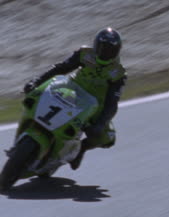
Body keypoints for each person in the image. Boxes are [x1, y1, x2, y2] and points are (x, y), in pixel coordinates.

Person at [23, 27, 127, 170]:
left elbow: (112, 103)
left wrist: (100, 124)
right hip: (71, 88)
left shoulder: (118, 73)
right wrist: (36, 81)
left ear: (117, 51)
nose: (105, 53)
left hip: (94, 103)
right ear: (95, 45)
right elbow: (60, 68)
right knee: (38, 93)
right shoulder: (85, 54)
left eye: (110, 50)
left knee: (107, 137)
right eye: (103, 48)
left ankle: (81, 148)